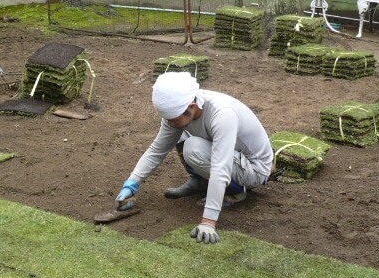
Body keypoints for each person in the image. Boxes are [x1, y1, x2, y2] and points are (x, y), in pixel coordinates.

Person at [115, 71, 274, 244]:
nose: (169, 123)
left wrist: (208, 221)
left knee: (193, 147)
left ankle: (235, 192)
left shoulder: (222, 114)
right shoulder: (180, 108)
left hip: (254, 169)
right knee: (180, 135)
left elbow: (221, 168)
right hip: (231, 158)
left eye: (173, 119)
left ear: (191, 106)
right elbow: (157, 150)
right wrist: (131, 184)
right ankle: (200, 182)